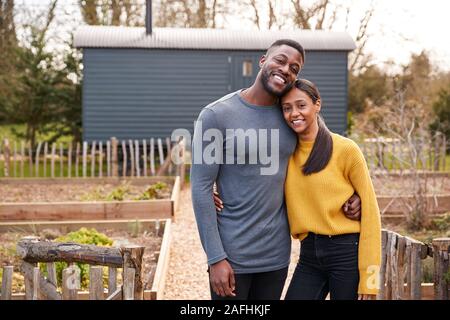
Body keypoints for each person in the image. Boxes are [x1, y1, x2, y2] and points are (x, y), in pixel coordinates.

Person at [191, 39, 361, 300]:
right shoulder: (216, 115)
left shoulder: (289, 116)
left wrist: (354, 194)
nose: (286, 69)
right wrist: (215, 258)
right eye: (280, 60)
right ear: (263, 61)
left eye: (295, 68)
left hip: (276, 257)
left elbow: (323, 155)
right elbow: (201, 188)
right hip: (232, 255)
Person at [280, 79, 381, 300]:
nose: (294, 113)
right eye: (287, 108)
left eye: (301, 105)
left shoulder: (346, 150)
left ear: (317, 104)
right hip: (309, 254)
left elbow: (372, 214)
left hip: (346, 253)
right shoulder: (284, 153)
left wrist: (370, 281)